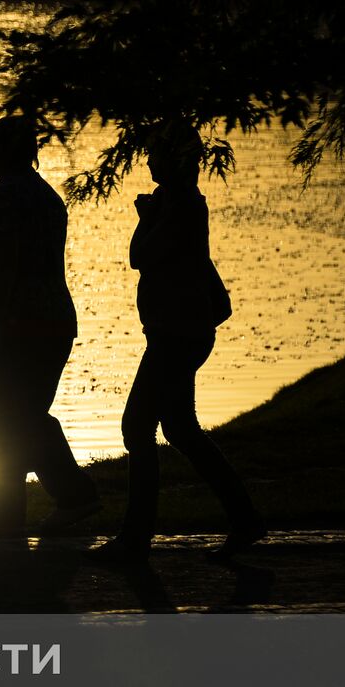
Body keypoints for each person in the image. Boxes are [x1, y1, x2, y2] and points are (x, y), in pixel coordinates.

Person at [88, 124, 263, 565]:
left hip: (177, 334)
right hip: (176, 330)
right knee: (181, 429)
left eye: (155, 155)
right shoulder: (172, 202)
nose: (147, 162)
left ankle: (136, 536)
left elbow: (140, 256)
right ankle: (244, 519)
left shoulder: (182, 205)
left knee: (136, 427)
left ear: (176, 160)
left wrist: (146, 218)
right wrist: (150, 216)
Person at [0, 115, 100, 536]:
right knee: (21, 416)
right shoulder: (48, 198)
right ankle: (7, 511)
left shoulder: (3, 197)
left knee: (11, 416)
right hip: (52, 321)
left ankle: (71, 495)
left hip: (13, 324)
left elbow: (3, 262)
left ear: (1, 153)